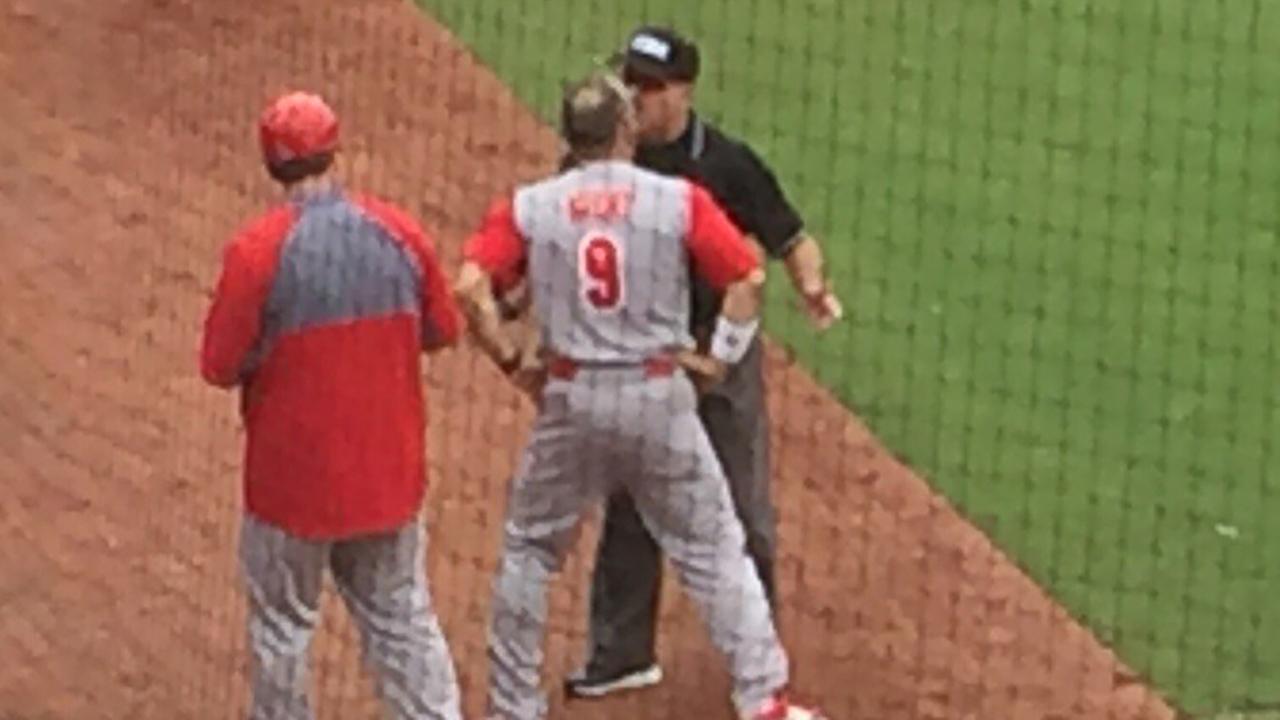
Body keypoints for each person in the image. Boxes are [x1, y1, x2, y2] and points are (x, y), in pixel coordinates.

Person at [454, 71, 826, 720]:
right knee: (714, 548)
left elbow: (469, 287)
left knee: (530, 551)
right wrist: (720, 359)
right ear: (625, 128)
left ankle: (513, 707)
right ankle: (764, 699)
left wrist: (513, 362)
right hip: (657, 396)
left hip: (571, 400)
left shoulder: (530, 206)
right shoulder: (677, 200)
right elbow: (747, 278)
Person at [563, 25, 845, 699]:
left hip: (718, 352)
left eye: (650, 85)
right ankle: (620, 654)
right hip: (642, 356)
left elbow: (791, 238)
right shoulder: (605, 159)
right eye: (629, 81)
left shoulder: (727, 164)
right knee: (631, 503)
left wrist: (812, 285)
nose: (634, 96)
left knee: (744, 510)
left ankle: (760, 661)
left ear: (684, 91)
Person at [198, 90, 465, 720]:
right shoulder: (400, 232)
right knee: (401, 617)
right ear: (335, 150)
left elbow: (218, 366)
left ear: (271, 163)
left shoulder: (256, 253)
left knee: (283, 630)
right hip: (388, 480)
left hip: (289, 492)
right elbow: (444, 330)